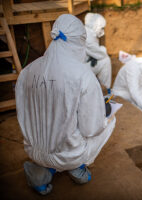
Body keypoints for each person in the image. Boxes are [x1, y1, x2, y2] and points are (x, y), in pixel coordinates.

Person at [15, 14, 116, 195]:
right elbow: (90, 130)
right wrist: (104, 114)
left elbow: (23, 115)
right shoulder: (83, 75)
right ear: (79, 41)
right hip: (68, 155)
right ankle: (76, 167)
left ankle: (42, 171)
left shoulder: (26, 72)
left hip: (33, 150)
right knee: (108, 120)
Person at [85, 12, 112, 94]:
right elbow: (101, 55)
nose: (103, 31)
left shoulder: (89, 32)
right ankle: (106, 90)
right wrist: (103, 49)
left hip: (82, 64)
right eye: (102, 28)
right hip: (80, 71)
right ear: (96, 26)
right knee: (106, 60)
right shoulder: (88, 38)